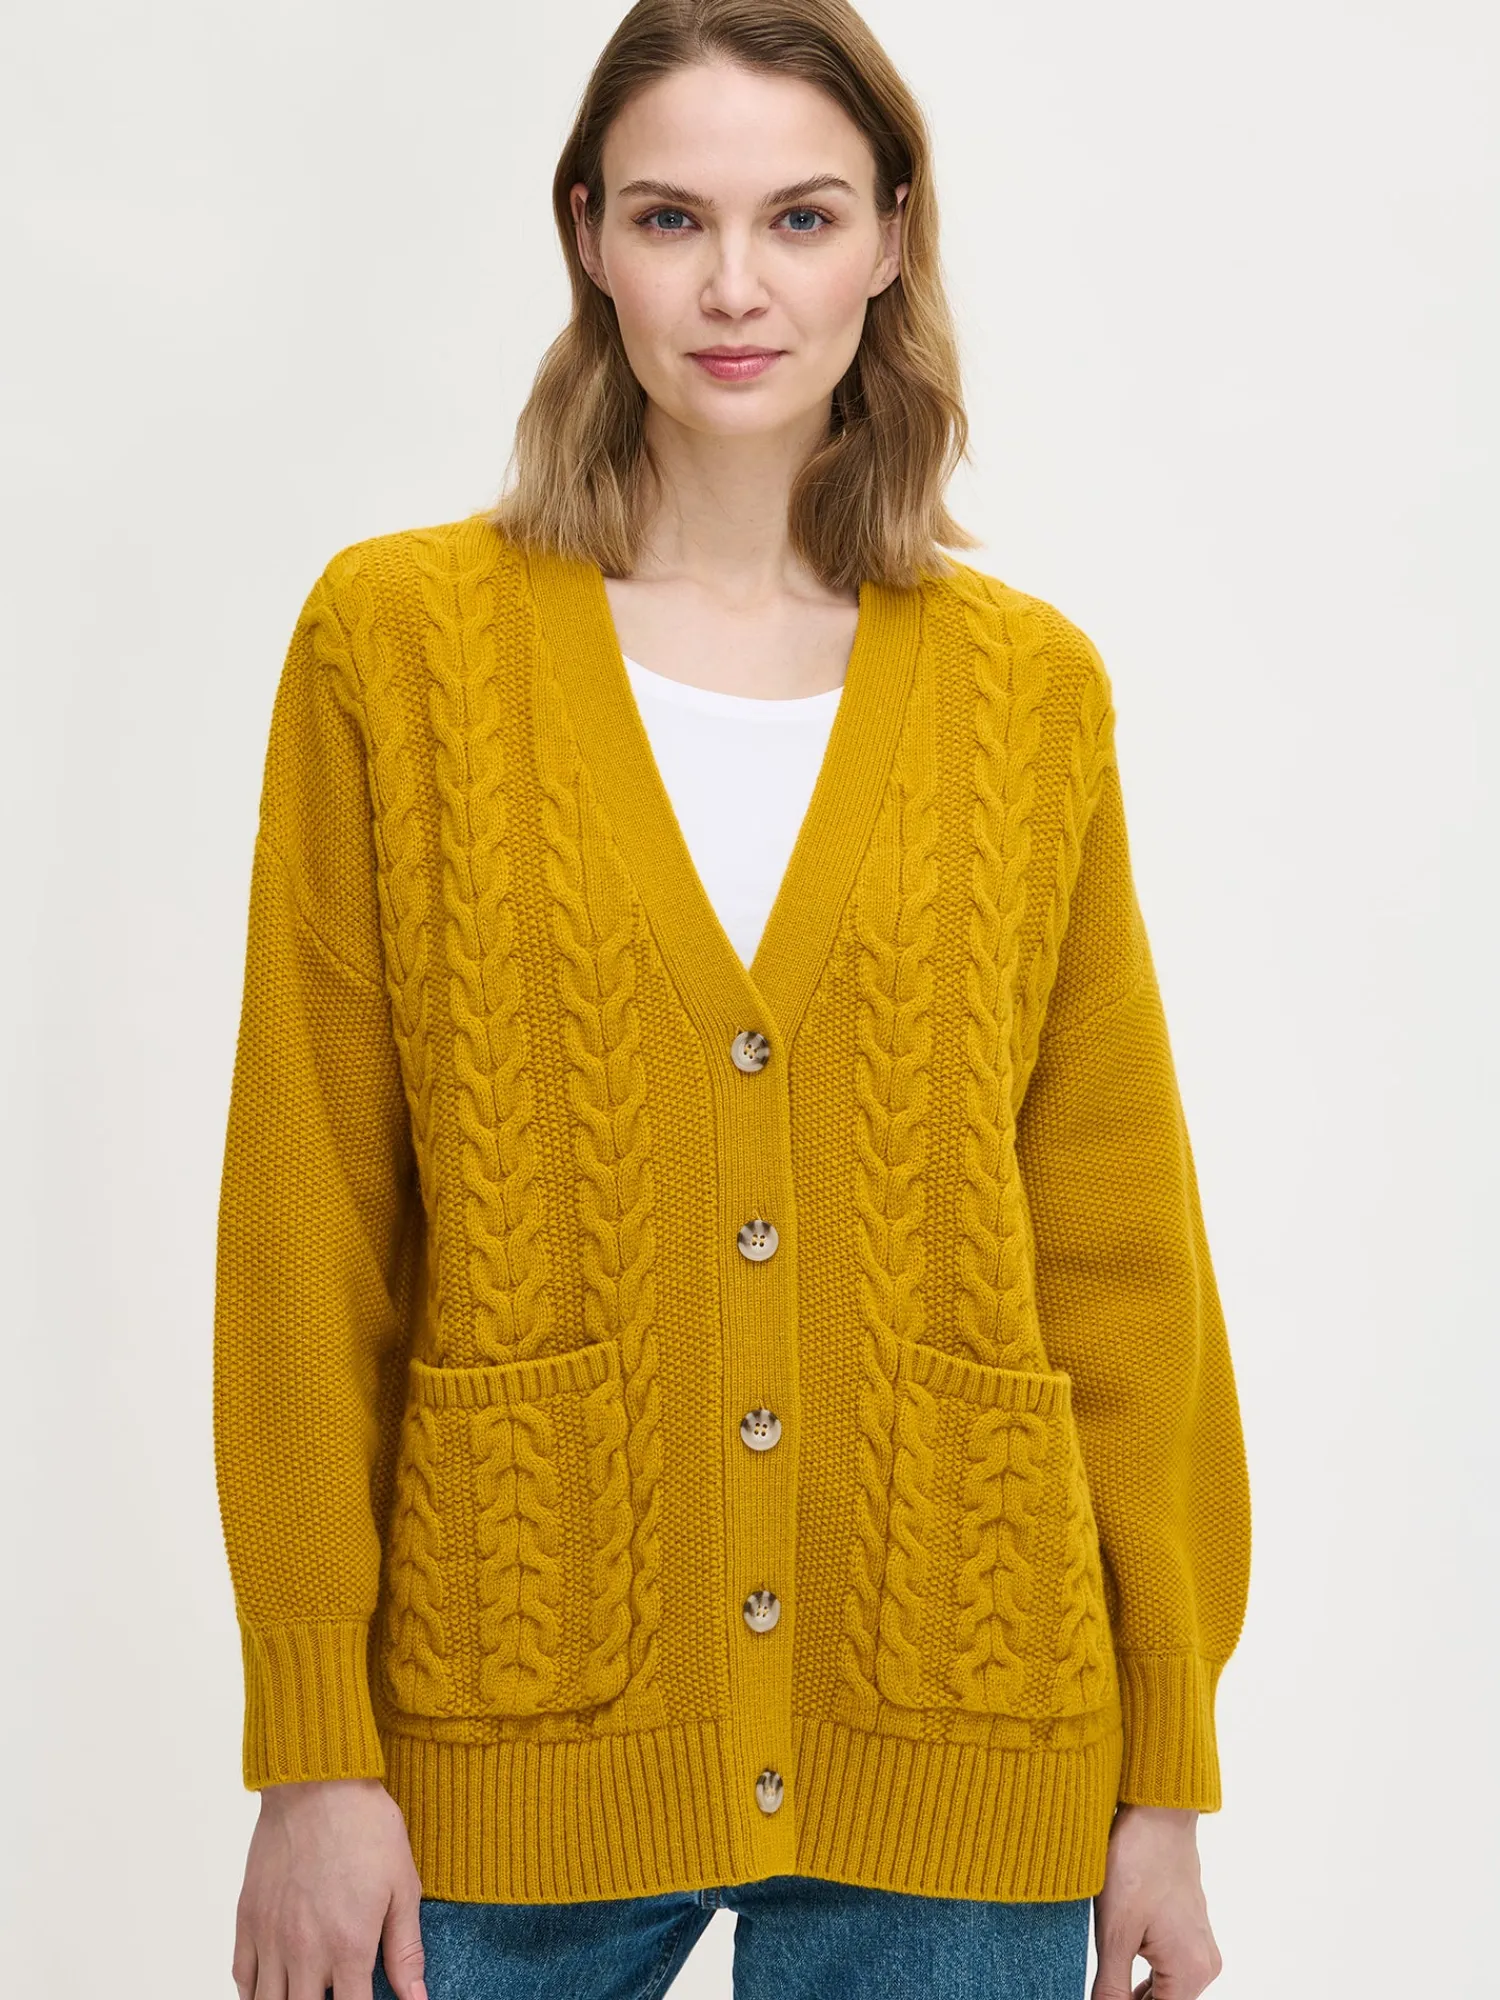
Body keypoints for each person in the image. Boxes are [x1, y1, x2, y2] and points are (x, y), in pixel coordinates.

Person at [213, 2, 1252, 1996]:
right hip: (502, 1716)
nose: (735, 286)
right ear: (587, 235)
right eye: (674, 217)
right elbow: (304, 1218)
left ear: (890, 239)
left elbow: (1120, 1253)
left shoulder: (1028, 694)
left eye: (801, 216)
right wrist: (311, 1753)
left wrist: (1164, 1775)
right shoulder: (396, 648)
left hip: (961, 1716)